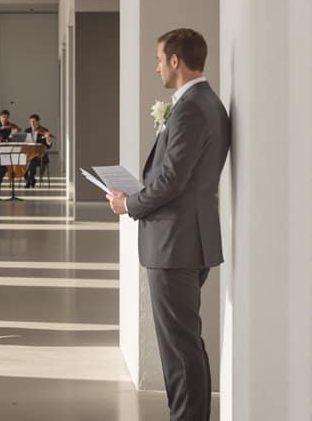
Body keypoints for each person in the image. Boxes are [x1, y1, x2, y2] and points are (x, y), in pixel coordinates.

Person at [105, 28, 229, 421]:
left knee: (179, 347)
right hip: (190, 237)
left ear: (175, 61)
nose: (156, 66)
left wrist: (130, 203)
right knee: (186, 342)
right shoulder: (206, 103)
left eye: (159, 59)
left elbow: (172, 179)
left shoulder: (192, 107)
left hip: (176, 242)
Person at [24, 114, 54, 188]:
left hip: (41, 156)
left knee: (32, 161)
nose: (32, 123)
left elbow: (48, 146)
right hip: (28, 154)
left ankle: (29, 180)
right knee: (19, 162)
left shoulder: (44, 130)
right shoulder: (27, 130)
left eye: (34, 121)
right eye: (30, 122)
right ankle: (30, 179)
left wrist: (48, 139)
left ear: (38, 122)